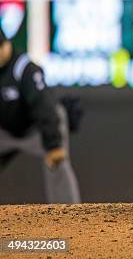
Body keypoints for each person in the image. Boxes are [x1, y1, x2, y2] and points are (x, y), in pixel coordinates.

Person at [0, 27, 81, 203]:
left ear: (6, 45)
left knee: (58, 160)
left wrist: (53, 143)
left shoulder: (24, 68)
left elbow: (44, 105)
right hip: (4, 132)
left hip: (35, 131)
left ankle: (69, 217)